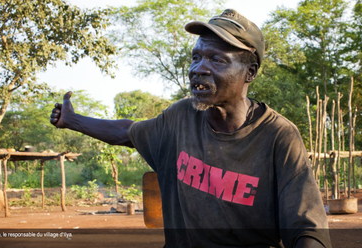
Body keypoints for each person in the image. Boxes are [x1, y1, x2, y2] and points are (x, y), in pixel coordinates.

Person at [50, 9, 331, 248]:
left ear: (250, 72)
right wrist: (72, 121)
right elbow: (128, 133)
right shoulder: (180, 117)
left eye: (217, 60)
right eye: (196, 57)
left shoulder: (278, 137)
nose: (199, 68)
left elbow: (307, 229)